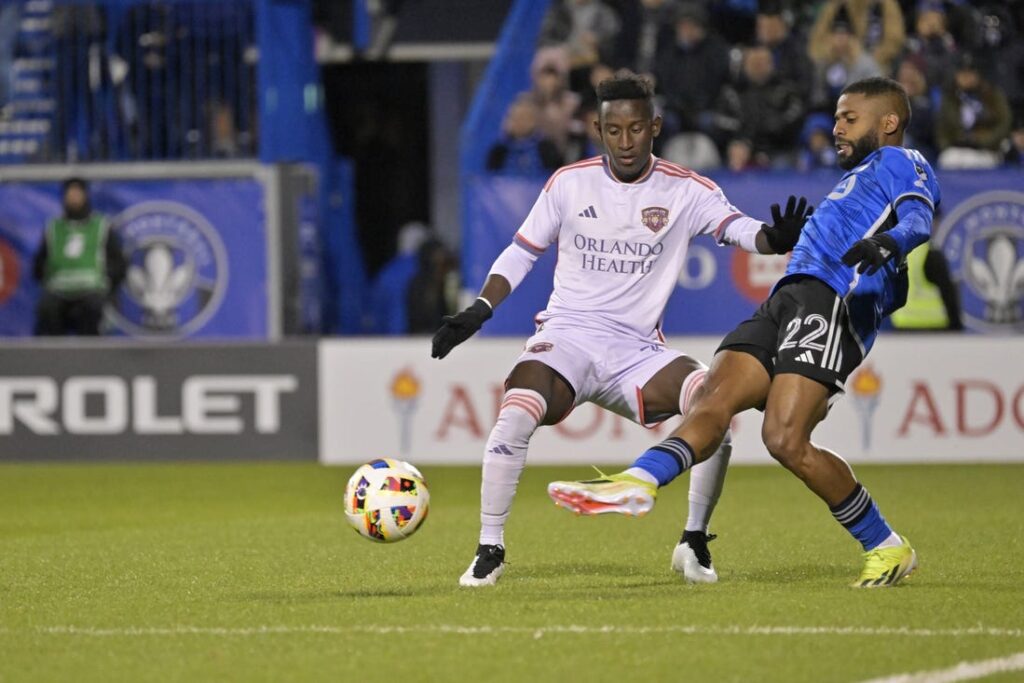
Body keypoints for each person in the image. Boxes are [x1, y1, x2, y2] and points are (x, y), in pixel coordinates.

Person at [549, 77, 940, 589]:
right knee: (712, 399)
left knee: (785, 439)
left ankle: (886, 546)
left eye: (850, 118)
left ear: (888, 122)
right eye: (839, 118)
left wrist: (887, 245)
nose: (836, 127)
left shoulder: (900, 162)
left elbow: (919, 218)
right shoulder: (859, 174)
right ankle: (639, 480)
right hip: (788, 296)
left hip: (834, 301)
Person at [431, 72, 812, 587]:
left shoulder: (686, 189)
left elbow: (736, 228)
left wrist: (772, 238)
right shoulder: (569, 182)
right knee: (515, 414)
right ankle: (489, 549)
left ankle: (694, 541)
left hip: (637, 351)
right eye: (614, 130)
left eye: (636, 129)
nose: (625, 142)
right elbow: (523, 251)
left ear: (654, 126)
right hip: (566, 336)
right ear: (597, 128)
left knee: (715, 406)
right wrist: (480, 307)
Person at [32, 178, 126, 335]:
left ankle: (90, 358)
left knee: (92, 309)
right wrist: (46, 277)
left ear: (86, 196)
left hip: (92, 290)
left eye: (77, 194)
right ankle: (52, 357)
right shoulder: (53, 228)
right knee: (47, 309)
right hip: (58, 290)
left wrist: (108, 284)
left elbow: (119, 263)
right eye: (70, 194)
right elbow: (39, 264)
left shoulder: (102, 226)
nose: (74, 198)